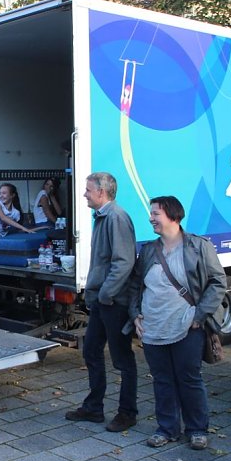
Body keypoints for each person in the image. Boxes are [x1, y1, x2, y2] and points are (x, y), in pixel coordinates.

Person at [127, 196, 226, 450]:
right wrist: (135, 313)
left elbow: (218, 282)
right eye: (151, 213)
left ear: (173, 215)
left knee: (189, 378)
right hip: (153, 326)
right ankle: (167, 428)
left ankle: (197, 429)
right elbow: (135, 285)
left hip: (187, 326)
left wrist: (199, 316)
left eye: (155, 213)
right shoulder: (149, 250)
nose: (151, 218)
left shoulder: (198, 246)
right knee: (162, 379)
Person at [66, 172, 138, 432]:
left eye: (87, 190)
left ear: (102, 192)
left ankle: (127, 413)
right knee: (91, 351)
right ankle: (94, 408)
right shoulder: (104, 217)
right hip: (102, 300)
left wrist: (106, 293)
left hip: (113, 302)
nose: (84, 194)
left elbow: (124, 262)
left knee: (122, 359)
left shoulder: (116, 218)